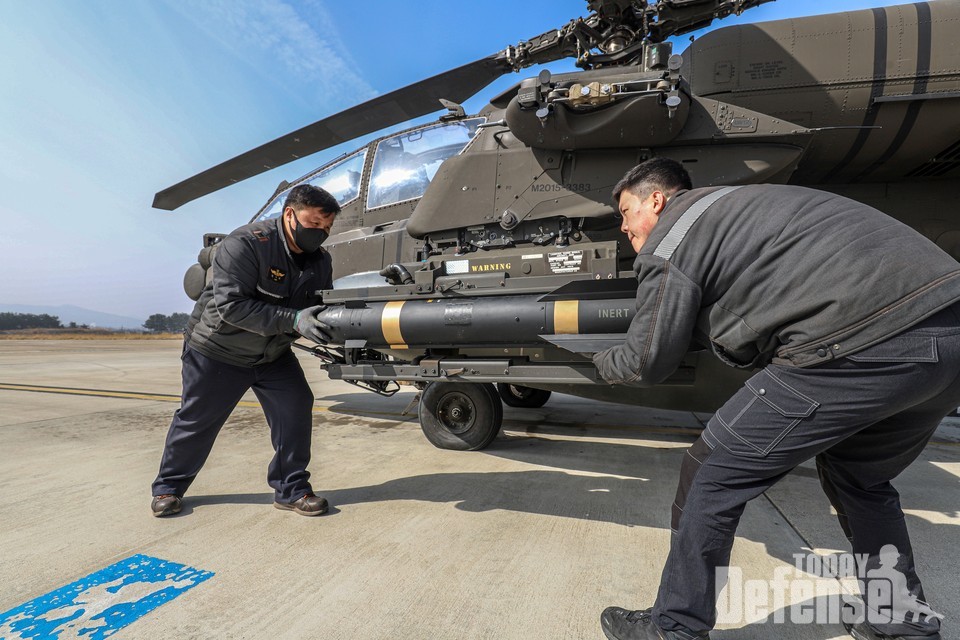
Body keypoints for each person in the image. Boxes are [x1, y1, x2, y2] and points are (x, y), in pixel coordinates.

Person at [593, 158, 959, 640]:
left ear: (656, 200)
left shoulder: (674, 231)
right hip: (947, 331)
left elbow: (646, 360)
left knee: (710, 471)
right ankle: (902, 624)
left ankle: (675, 627)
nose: (623, 227)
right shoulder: (742, 207)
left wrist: (598, 362)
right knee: (860, 480)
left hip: (858, 339)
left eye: (625, 211)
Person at [151, 184, 340, 518]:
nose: (320, 233)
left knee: (295, 406)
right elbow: (233, 308)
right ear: (289, 214)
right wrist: (295, 319)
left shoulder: (319, 260)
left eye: (326, 228)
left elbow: (317, 305)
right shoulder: (245, 244)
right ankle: (168, 487)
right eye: (314, 224)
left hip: (271, 354)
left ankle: (292, 489)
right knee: (197, 421)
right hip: (217, 350)